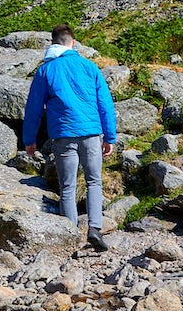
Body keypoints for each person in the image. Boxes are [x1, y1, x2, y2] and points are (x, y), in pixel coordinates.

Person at [21, 24, 117, 247]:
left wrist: (29, 140)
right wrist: (109, 136)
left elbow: (33, 108)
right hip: (91, 133)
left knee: (67, 186)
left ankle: (70, 236)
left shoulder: (45, 70)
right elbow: (105, 104)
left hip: (63, 134)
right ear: (73, 44)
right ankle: (95, 229)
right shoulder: (89, 66)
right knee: (94, 181)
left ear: (53, 44)